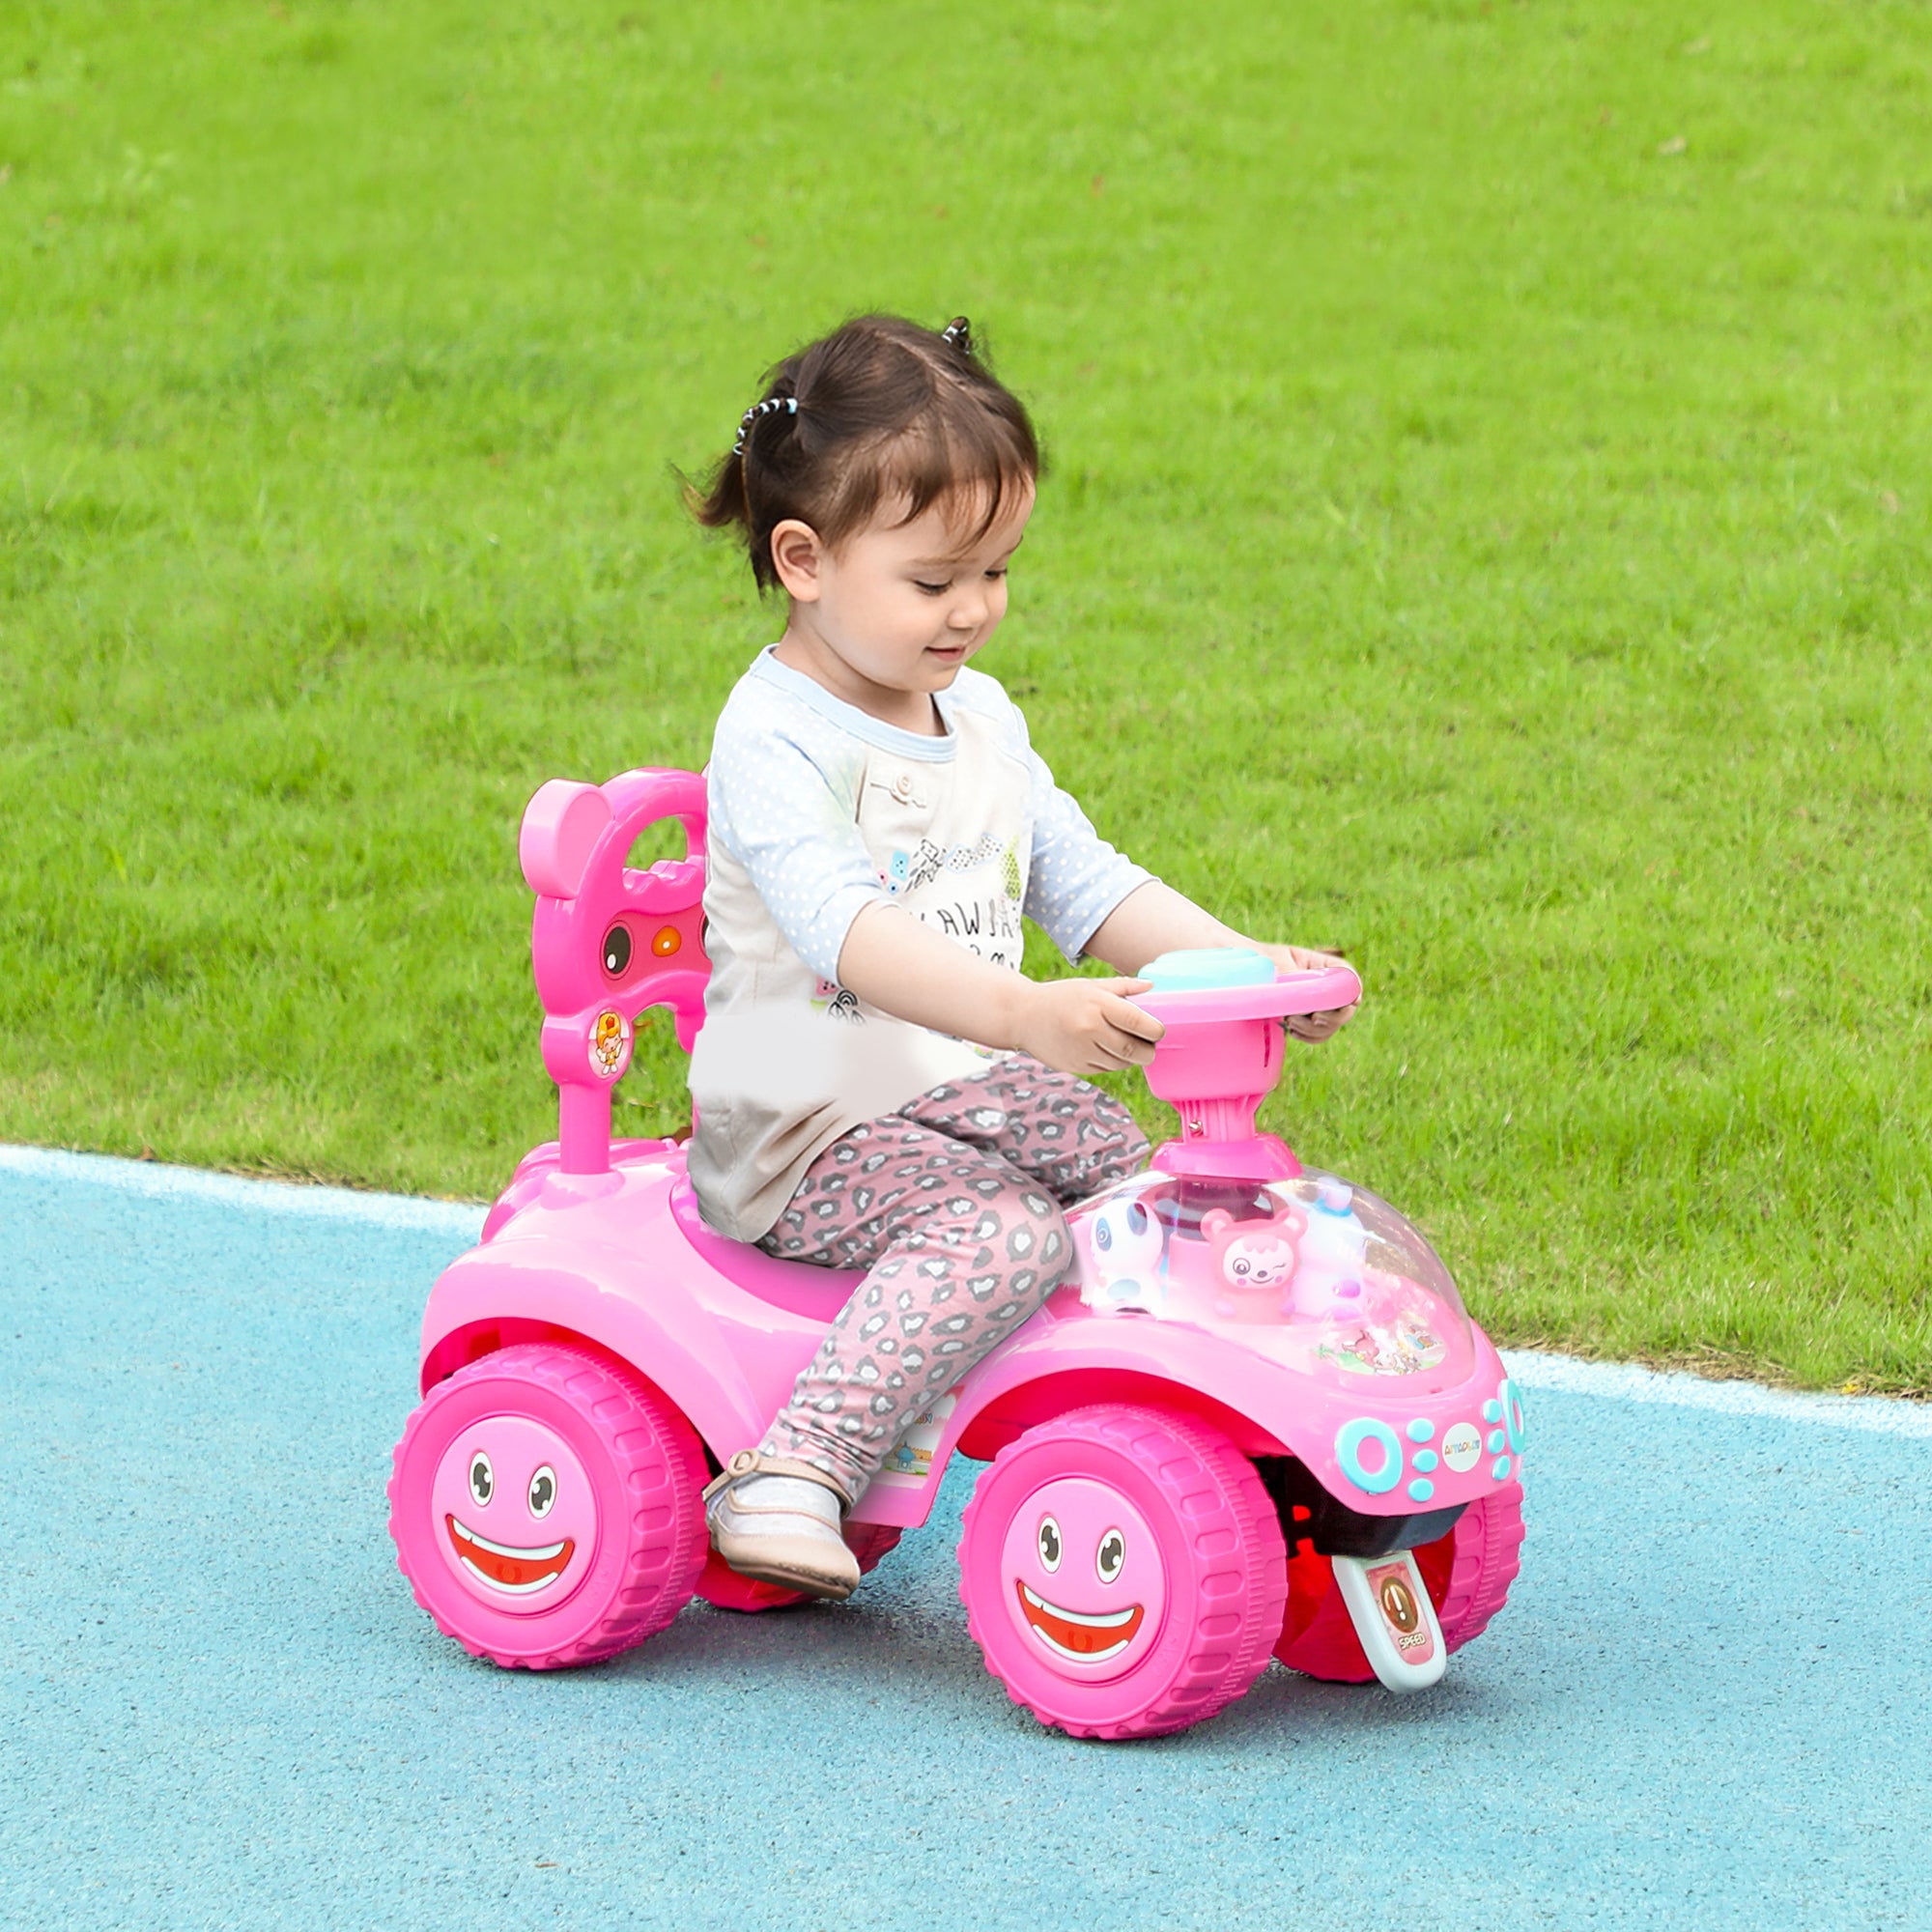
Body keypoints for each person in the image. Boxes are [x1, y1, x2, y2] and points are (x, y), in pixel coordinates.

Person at [686, 313, 1354, 1600]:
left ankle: (1151, 1433)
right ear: (806, 559)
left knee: (1137, 1186)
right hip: (803, 1124)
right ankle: (799, 1465)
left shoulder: (978, 714)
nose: (974, 610)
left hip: (950, 1083)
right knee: (999, 1229)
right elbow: (851, 935)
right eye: (935, 581)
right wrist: (1024, 1015)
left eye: (996, 571)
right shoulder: (775, 739)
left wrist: (1240, 963)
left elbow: (1085, 884)